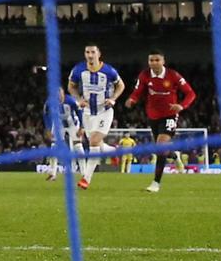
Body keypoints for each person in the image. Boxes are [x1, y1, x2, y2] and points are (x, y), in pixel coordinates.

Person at [124, 49, 196, 193]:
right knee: (160, 148)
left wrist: (181, 106)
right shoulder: (144, 75)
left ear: (163, 61)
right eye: (151, 60)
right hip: (152, 115)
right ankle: (174, 156)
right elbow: (138, 91)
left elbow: (190, 93)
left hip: (169, 115)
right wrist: (132, 99)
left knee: (161, 145)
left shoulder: (173, 75)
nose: (154, 63)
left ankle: (156, 183)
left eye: (157, 60)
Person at [68, 43, 125, 189]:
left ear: (99, 54)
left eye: (93, 52)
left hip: (104, 111)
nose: (90, 55)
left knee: (93, 142)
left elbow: (121, 85)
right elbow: (71, 86)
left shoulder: (109, 71)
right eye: (87, 52)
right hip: (87, 113)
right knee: (97, 145)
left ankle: (86, 178)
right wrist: (78, 99)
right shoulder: (78, 70)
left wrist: (113, 99)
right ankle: (115, 151)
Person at [42, 87, 83, 182]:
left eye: (60, 94)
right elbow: (45, 114)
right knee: (53, 148)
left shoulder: (71, 100)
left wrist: (82, 127)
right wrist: (48, 128)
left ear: (63, 93)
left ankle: (84, 173)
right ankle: (52, 174)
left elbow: (80, 112)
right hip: (59, 124)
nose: (58, 97)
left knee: (78, 147)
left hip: (72, 123)